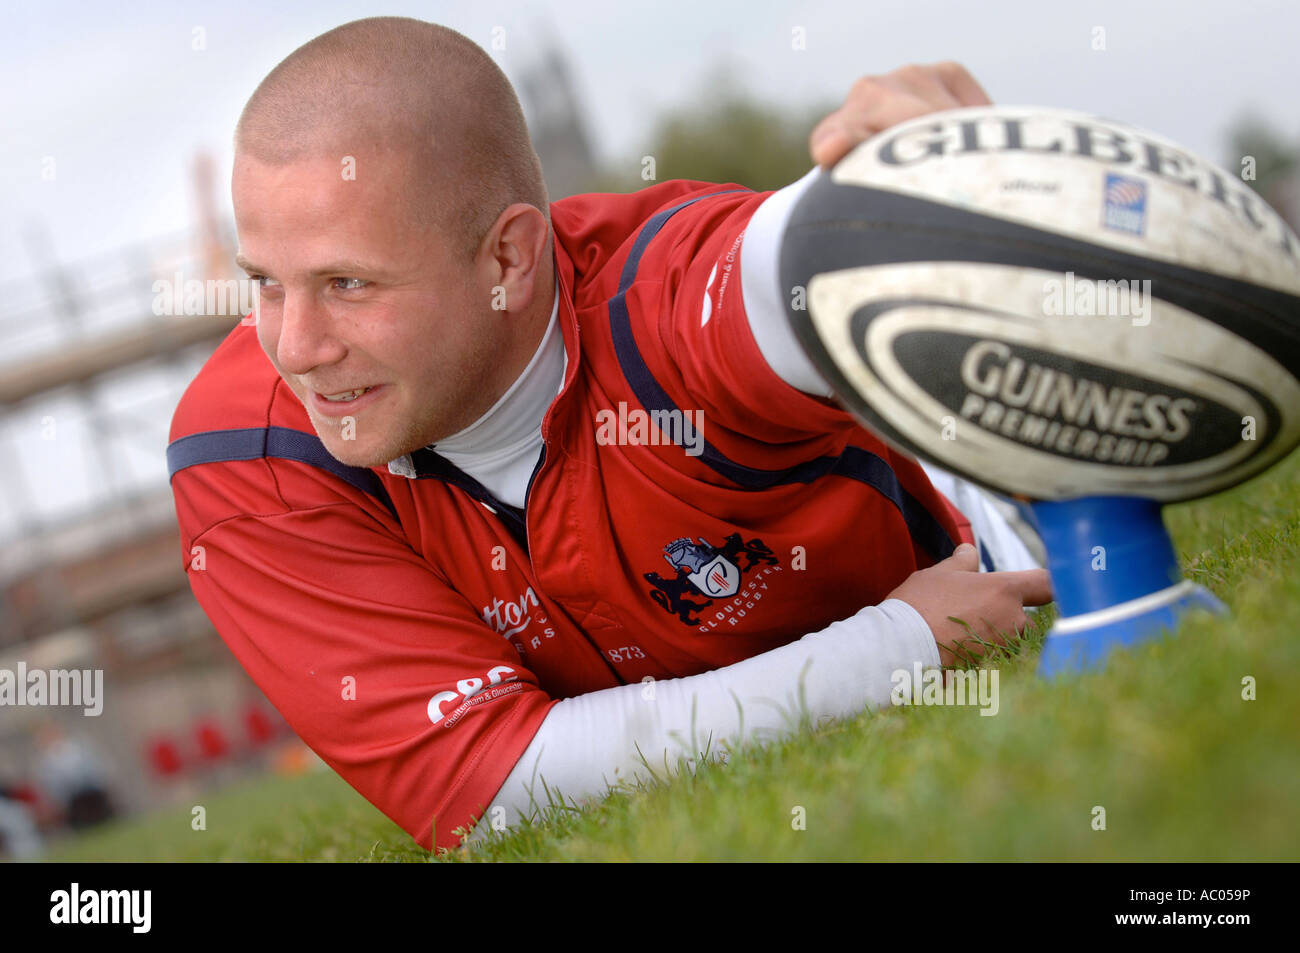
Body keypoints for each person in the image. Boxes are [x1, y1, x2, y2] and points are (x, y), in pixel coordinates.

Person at [167, 16, 1051, 851]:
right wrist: (891, 648)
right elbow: (496, 787)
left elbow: (798, 261)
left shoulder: (664, 302)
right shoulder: (244, 448)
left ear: (508, 260)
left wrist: (898, 183)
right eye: (267, 282)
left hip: (979, 544)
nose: (296, 347)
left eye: (349, 283)